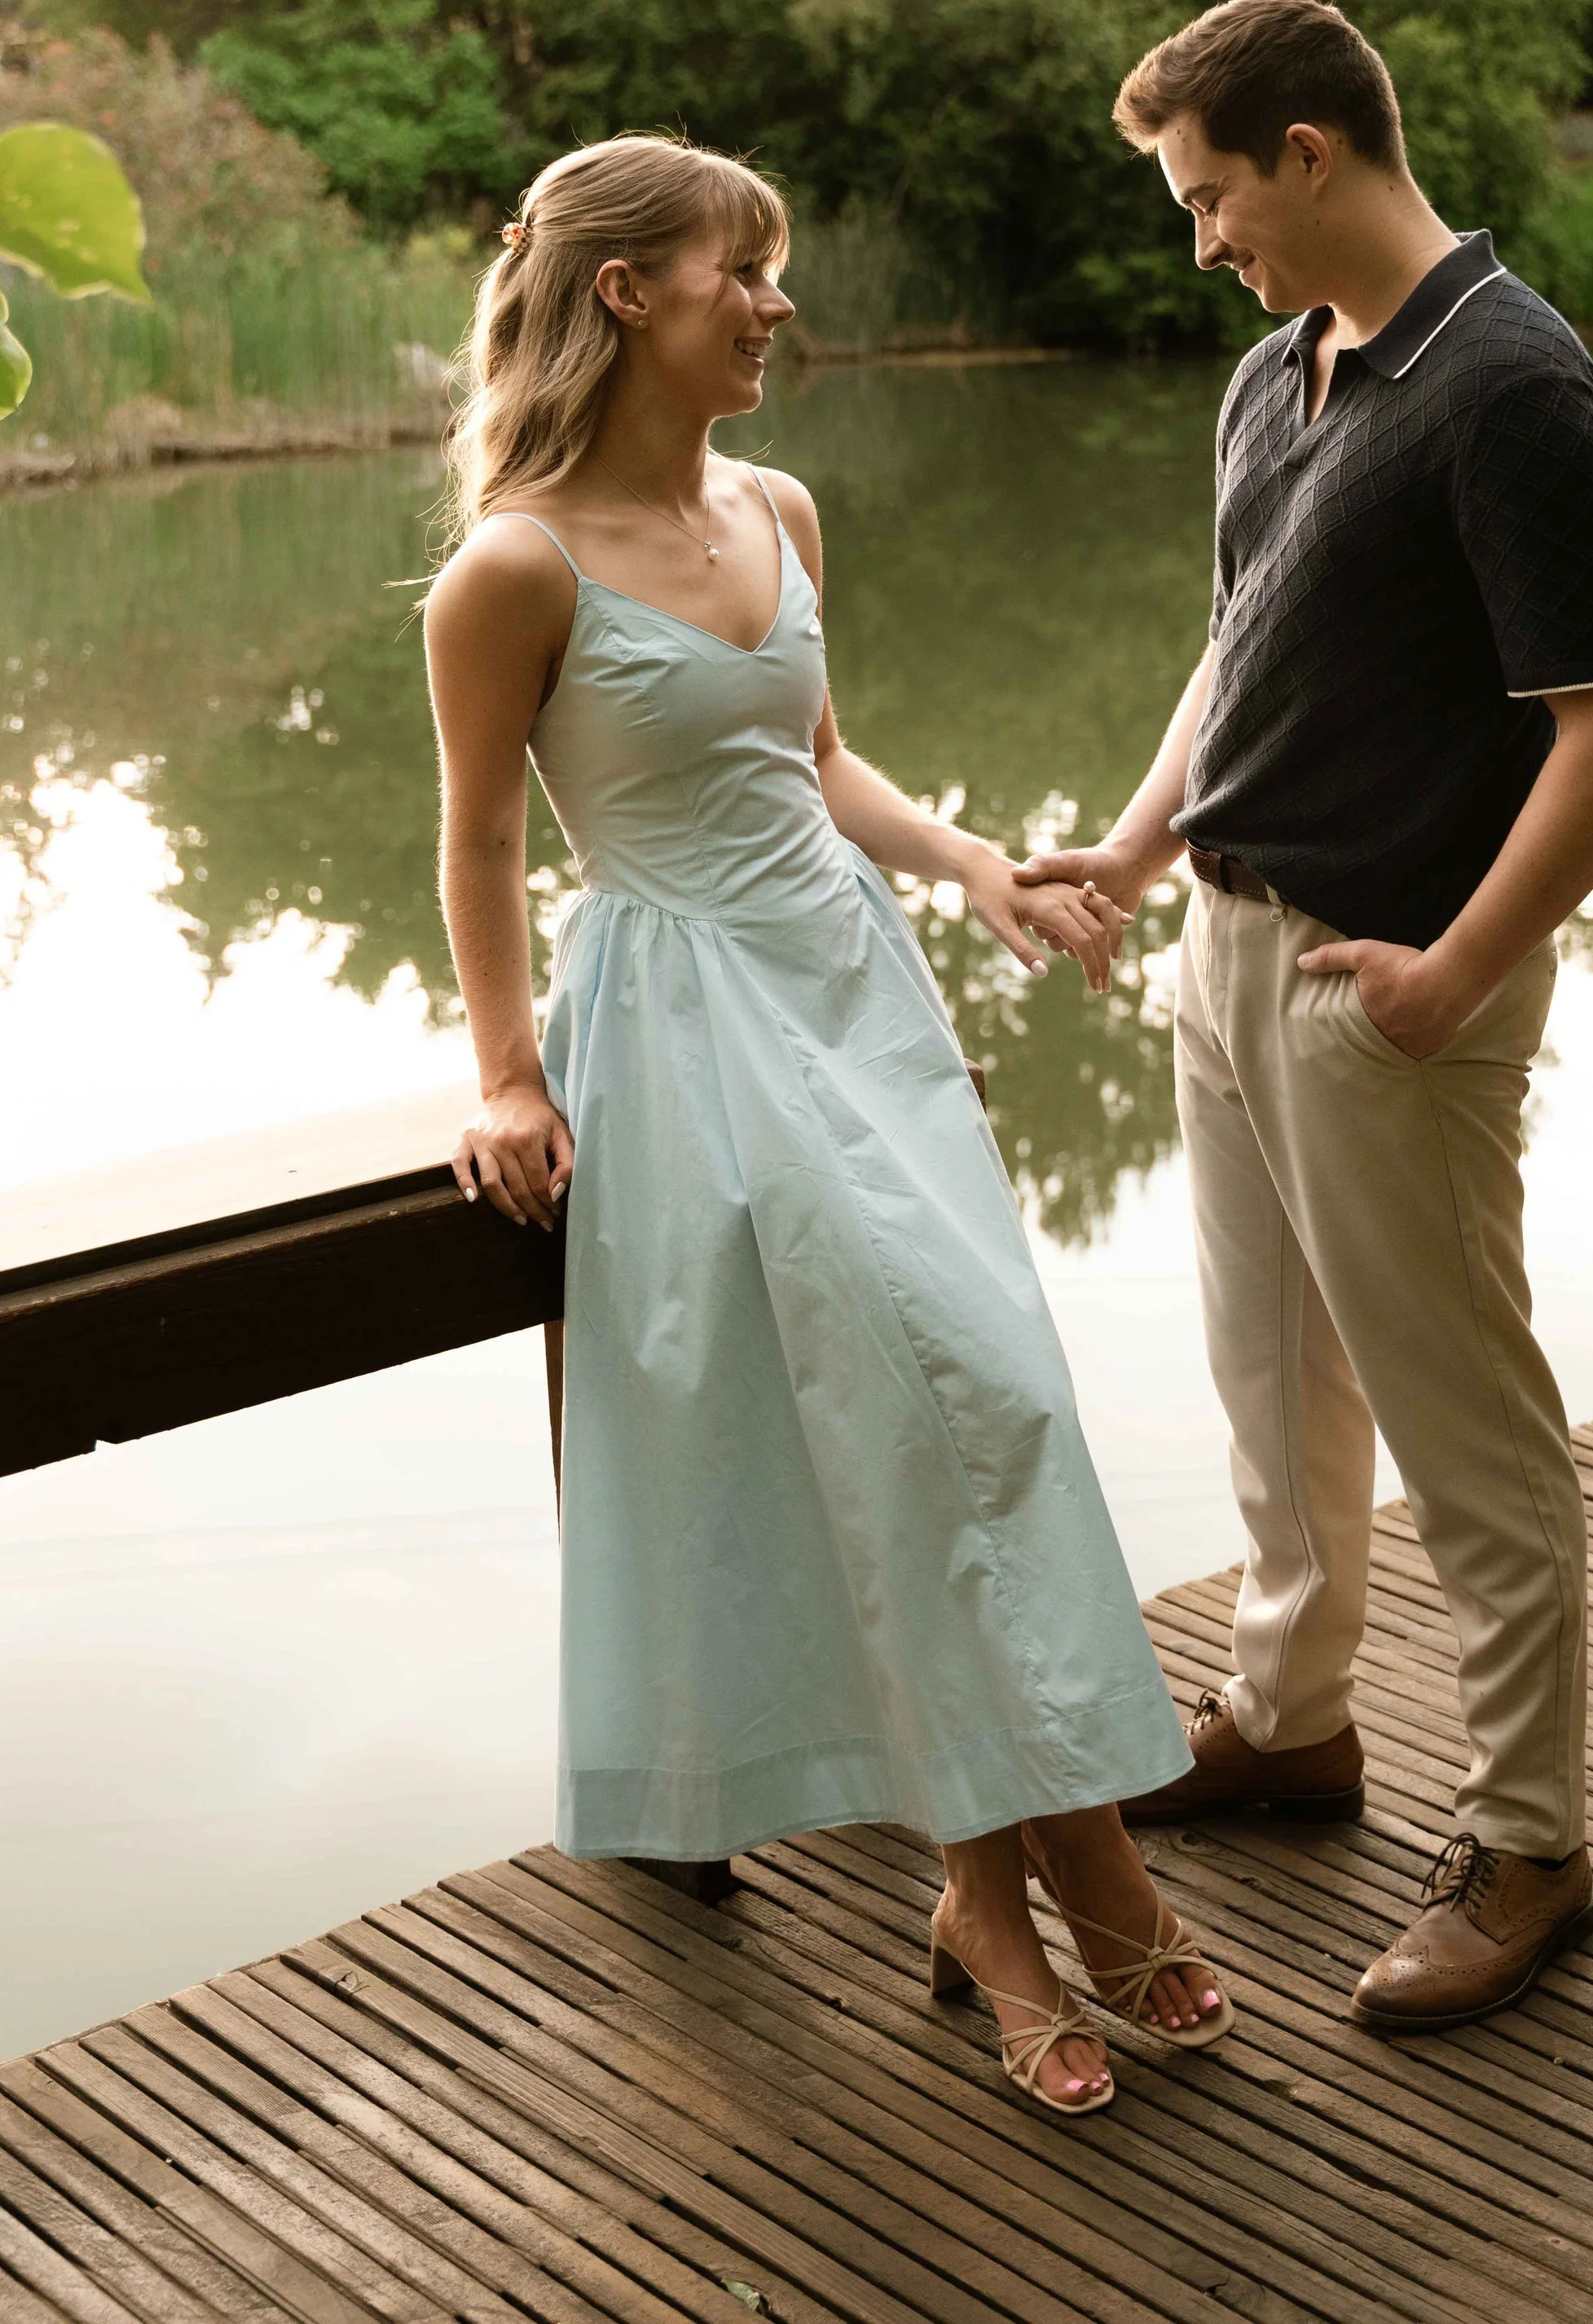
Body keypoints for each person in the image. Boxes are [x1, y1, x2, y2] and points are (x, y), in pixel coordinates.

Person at [424, 132, 1231, 2118]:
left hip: (854, 991)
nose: (776, 304)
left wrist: (969, 870)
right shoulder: (511, 565)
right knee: (886, 1431)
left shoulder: (778, 505)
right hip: (685, 1030)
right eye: (743, 271)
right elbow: (476, 837)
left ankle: (1007, 1890)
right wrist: (508, 1072)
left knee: (983, 1404)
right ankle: (1053, 1882)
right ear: (627, 293)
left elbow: (821, 760)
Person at [1021, 0, 1593, 2031]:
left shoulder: (1507, 385)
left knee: (1459, 1425)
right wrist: (1137, 854)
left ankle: (1531, 1842)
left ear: (1308, 152)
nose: (1197, 237)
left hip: (1384, 975)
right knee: (1268, 1388)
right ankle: (1289, 1722)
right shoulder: (1268, 374)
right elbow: (1237, 649)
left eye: (1208, 194)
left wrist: (1453, 972)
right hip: (1225, 948)